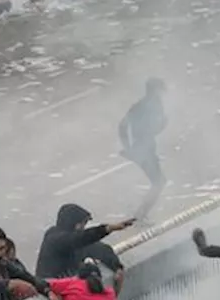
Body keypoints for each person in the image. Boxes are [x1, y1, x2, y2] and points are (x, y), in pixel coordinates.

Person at [35, 203, 135, 280]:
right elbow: (80, 238)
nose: (83, 227)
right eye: (82, 224)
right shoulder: (54, 238)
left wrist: (117, 267)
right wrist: (107, 229)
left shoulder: (79, 243)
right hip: (51, 292)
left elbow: (101, 249)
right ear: (73, 224)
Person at [119, 77, 169, 220]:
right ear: (155, 90)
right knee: (159, 182)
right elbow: (128, 127)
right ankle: (140, 215)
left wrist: (128, 147)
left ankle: (141, 213)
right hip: (143, 149)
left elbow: (125, 127)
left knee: (158, 181)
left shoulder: (146, 105)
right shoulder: (147, 106)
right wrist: (129, 149)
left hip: (144, 148)